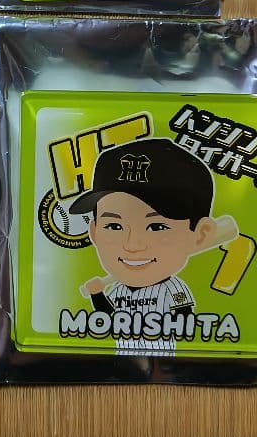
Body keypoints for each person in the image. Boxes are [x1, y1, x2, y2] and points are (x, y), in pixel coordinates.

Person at [68, 138, 222, 354]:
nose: (132, 245)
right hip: (121, 361)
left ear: (200, 235)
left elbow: (184, 320)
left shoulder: (174, 289)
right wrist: (97, 295)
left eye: (157, 227)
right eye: (114, 226)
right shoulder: (118, 289)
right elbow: (108, 319)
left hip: (166, 359)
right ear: (94, 232)